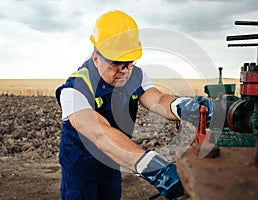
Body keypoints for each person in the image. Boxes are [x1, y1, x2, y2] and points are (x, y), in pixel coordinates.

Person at [55, 10, 213, 200]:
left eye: (129, 62)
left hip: (113, 164)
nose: (124, 70)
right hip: (80, 170)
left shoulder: (134, 75)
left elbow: (157, 99)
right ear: (96, 57)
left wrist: (184, 106)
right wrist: (152, 166)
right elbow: (98, 132)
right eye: (116, 63)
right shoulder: (75, 89)